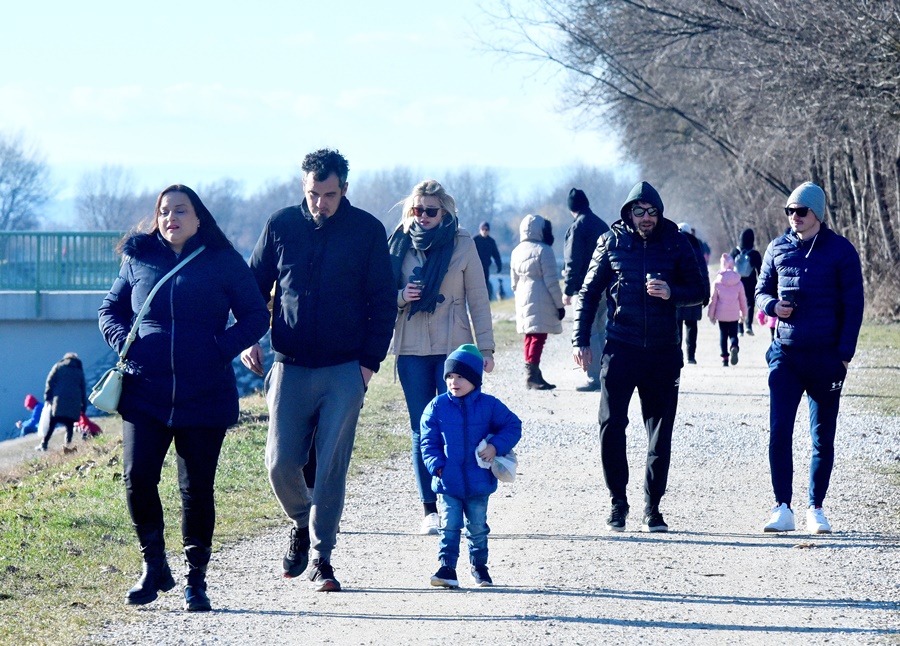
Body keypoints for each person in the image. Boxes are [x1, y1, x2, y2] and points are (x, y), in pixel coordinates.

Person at [99, 184, 269, 612]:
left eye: (180, 210)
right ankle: (154, 566)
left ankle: (197, 580)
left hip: (204, 394)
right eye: (163, 211)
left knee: (196, 490)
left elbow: (256, 315)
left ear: (198, 218)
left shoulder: (222, 261)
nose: (170, 217)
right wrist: (127, 344)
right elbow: (110, 309)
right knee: (138, 478)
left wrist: (218, 349)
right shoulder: (138, 257)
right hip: (145, 390)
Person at [241, 149, 396, 592]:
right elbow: (253, 287)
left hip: (345, 368)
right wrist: (249, 338)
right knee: (279, 462)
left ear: (344, 189)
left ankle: (323, 559)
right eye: (313, 194)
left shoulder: (367, 230)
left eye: (329, 194)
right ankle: (300, 521)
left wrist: (368, 366)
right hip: (289, 365)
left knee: (330, 465)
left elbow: (383, 303)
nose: (320, 203)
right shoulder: (281, 225)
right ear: (303, 187)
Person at [573, 181, 707, 533]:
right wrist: (580, 339)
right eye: (639, 211)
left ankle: (653, 507)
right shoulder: (612, 242)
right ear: (628, 213)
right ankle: (618, 502)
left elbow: (700, 292)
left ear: (660, 212)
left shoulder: (677, 241)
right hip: (621, 347)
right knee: (610, 425)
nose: (646, 218)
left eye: (652, 211)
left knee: (660, 433)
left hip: (663, 352)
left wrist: (671, 292)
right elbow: (588, 293)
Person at [755, 181, 864, 534]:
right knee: (779, 432)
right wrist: (773, 306)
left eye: (801, 211)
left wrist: (844, 356)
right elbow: (760, 291)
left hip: (826, 359)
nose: (794, 218)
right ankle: (782, 507)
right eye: (789, 212)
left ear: (817, 213)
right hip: (785, 356)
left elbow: (854, 305)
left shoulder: (841, 251)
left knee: (822, 437)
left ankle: (815, 508)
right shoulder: (777, 248)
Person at [388, 179, 495, 535]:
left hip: (453, 348)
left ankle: (463, 504)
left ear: (445, 211)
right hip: (411, 348)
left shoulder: (463, 244)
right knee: (422, 429)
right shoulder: (399, 243)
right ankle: (429, 509)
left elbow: (478, 299)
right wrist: (403, 295)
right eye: (417, 209)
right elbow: (379, 295)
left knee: (459, 428)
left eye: (431, 210)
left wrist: (486, 349)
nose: (423, 216)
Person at [420, 344, 521, 588]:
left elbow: (513, 425)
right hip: (448, 481)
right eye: (450, 376)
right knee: (449, 526)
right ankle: (447, 568)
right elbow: (427, 441)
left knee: (477, 527)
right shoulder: (437, 406)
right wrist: (437, 466)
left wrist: (496, 446)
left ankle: (480, 568)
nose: (454, 381)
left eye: (461, 376)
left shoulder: (489, 405)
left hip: (479, 482)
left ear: (475, 379)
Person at [563, 188, 610, 392]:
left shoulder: (577, 228)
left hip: (586, 287)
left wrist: (568, 289)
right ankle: (606, 373)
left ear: (571, 208)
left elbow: (573, 261)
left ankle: (594, 377)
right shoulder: (601, 224)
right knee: (601, 329)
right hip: (605, 285)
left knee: (588, 331)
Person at [510, 214, 564, 390]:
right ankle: (532, 374)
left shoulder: (516, 251)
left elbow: (513, 282)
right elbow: (551, 281)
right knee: (539, 336)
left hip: (522, 296)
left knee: (529, 335)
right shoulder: (544, 250)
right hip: (541, 297)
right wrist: (559, 304)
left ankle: (533, 371)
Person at [35, 353, 87, 452]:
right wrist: (84, 406)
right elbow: (83, 389)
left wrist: (48, 396)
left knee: (52, 423)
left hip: (59, 401)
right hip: (74, 403)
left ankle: (44, 444)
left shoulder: (59, 366)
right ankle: (67, 446)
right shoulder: (79, 371)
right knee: (69, 426)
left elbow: (49, 381)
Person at [676, 222, 709, 364]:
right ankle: (691, 356)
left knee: (676, 326)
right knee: (691, 325)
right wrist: (706, 294)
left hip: (676, 293)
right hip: (694, 292)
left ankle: (677, 354)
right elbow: (704, 272)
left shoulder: (673, 245)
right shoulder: (697, 246)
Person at [708, 253, 748, 367]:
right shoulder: (738, 282)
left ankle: (725, 358)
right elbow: (743, 300)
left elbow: (713, 300)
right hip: (734, 314)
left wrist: (711, 315)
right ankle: (734, 346)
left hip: (722, 314)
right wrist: (743, 314)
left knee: (723, 335)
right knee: (733, 334)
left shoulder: (717, 282)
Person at [731, 228, 763, 336]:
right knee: (750, 303)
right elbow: (760, 270)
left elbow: (729, 267)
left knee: (738, 304)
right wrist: (762, 283)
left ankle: (739, 329)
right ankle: (748, 326)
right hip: (751, 282)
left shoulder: (734, 252)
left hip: (737, 282)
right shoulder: (754, 254)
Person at [473, 221, 502, 301]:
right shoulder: (474, 240)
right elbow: (467, 253)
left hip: (485, 267)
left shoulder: (491, 241)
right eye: (483, 229)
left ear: (489, 230)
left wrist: (499, 265)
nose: (484, 231)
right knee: (474, 285)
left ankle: (483, 301)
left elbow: (496, 255)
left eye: (486, 229)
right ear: (480, 229)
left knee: (484, 285)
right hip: (474, 267)